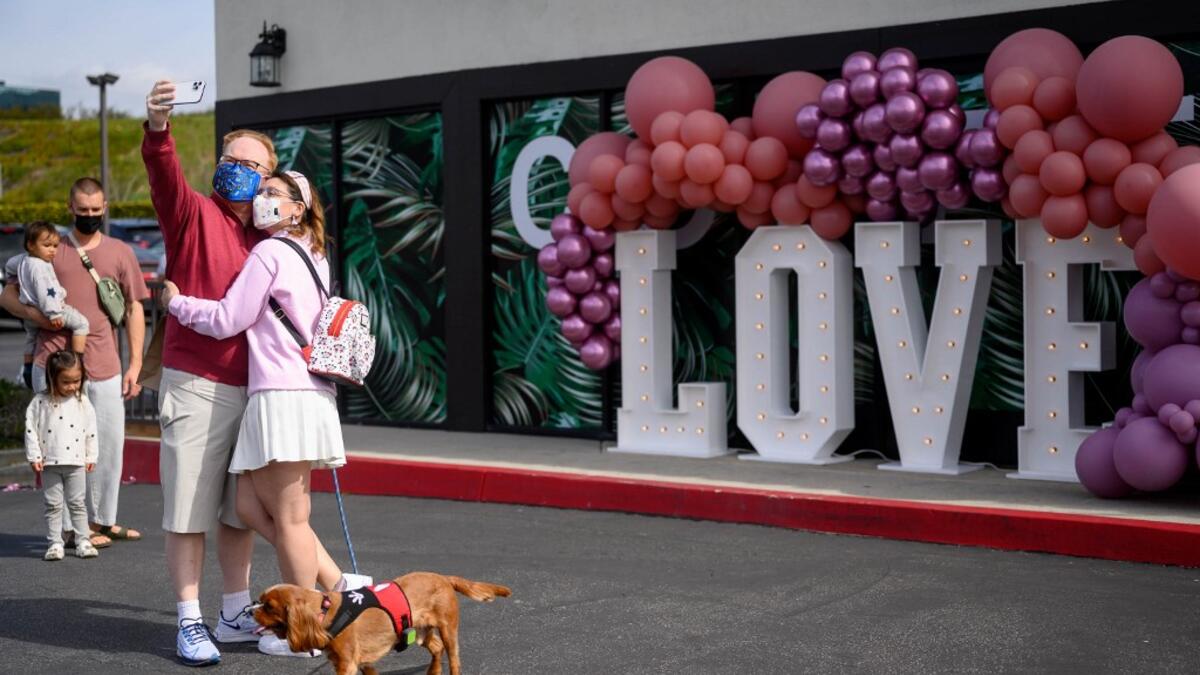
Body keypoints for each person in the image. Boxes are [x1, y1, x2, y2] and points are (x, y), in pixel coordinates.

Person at [144, 82, 367, 666]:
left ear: (276, 182)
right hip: (198, 383)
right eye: (231, 162)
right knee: (190, 508)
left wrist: (177, 302)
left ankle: (237, 609)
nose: (241, 174)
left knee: (239, 511)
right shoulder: (195, 214)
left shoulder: (270, 239)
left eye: (255, 168)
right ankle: (191, 619)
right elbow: (164, 178)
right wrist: (158, 128)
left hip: (260, 389)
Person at [0, 178, 148, 551]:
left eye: (96, 210)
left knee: (108, 446)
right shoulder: (49, 249)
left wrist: (136, 365)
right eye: (82, 211)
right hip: (55, 365)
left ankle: (102, 521)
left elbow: (134, 308)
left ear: (106, 206)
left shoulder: (120, 252)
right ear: (70, 208)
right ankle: (69, 529)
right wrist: (36, 315)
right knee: (59, 448)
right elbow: (7, 296)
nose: (89, 216)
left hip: (105, 364)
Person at [26, 350, 100, 561]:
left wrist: (91, 456)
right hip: (49, 463)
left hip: (76, 463)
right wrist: (34, 456)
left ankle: (83, 540)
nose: (72, 386)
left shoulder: (82, 402)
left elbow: (91, 430)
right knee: (53, 505)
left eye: (76, 381)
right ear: (52, 378)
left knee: (77, 503)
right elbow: (31, 429)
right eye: (66, 381)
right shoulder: (40, 402)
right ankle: (55, 543)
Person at [8, 222, 91, 361]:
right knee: (82, 324)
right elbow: (46, 291)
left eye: (55, 246)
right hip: (48, 311)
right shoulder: (40, 267)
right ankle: (77, 361)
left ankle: (28, 365)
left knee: (31, 338)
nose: (52, 250)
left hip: (30, 314)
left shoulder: (24, 259)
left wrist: (13, 277)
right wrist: (54, 314)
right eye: (47, 246)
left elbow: (10, 265)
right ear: (31, 245)